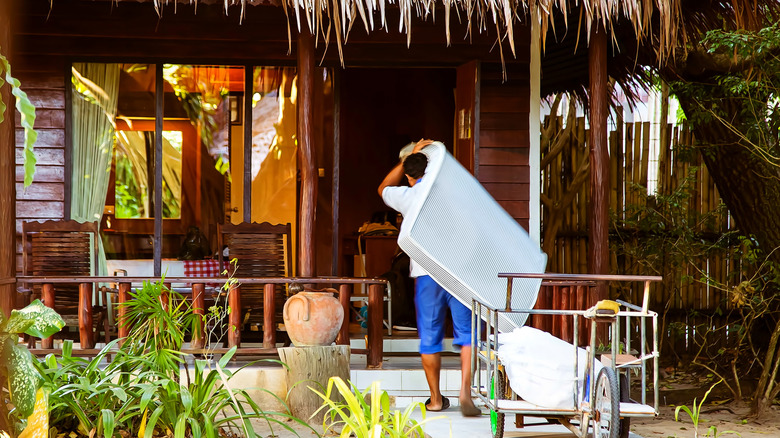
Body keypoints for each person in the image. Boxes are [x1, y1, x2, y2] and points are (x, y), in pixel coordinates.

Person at [377, 139, 481, 417]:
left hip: (426, 274)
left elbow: (382, 188)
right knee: (467, 335)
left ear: (410, 175)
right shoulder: (452, 193)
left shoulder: (408, 196)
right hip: (458, 272)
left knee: (430, 338)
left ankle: (435, 399)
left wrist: (406, 160)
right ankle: (465, 392)